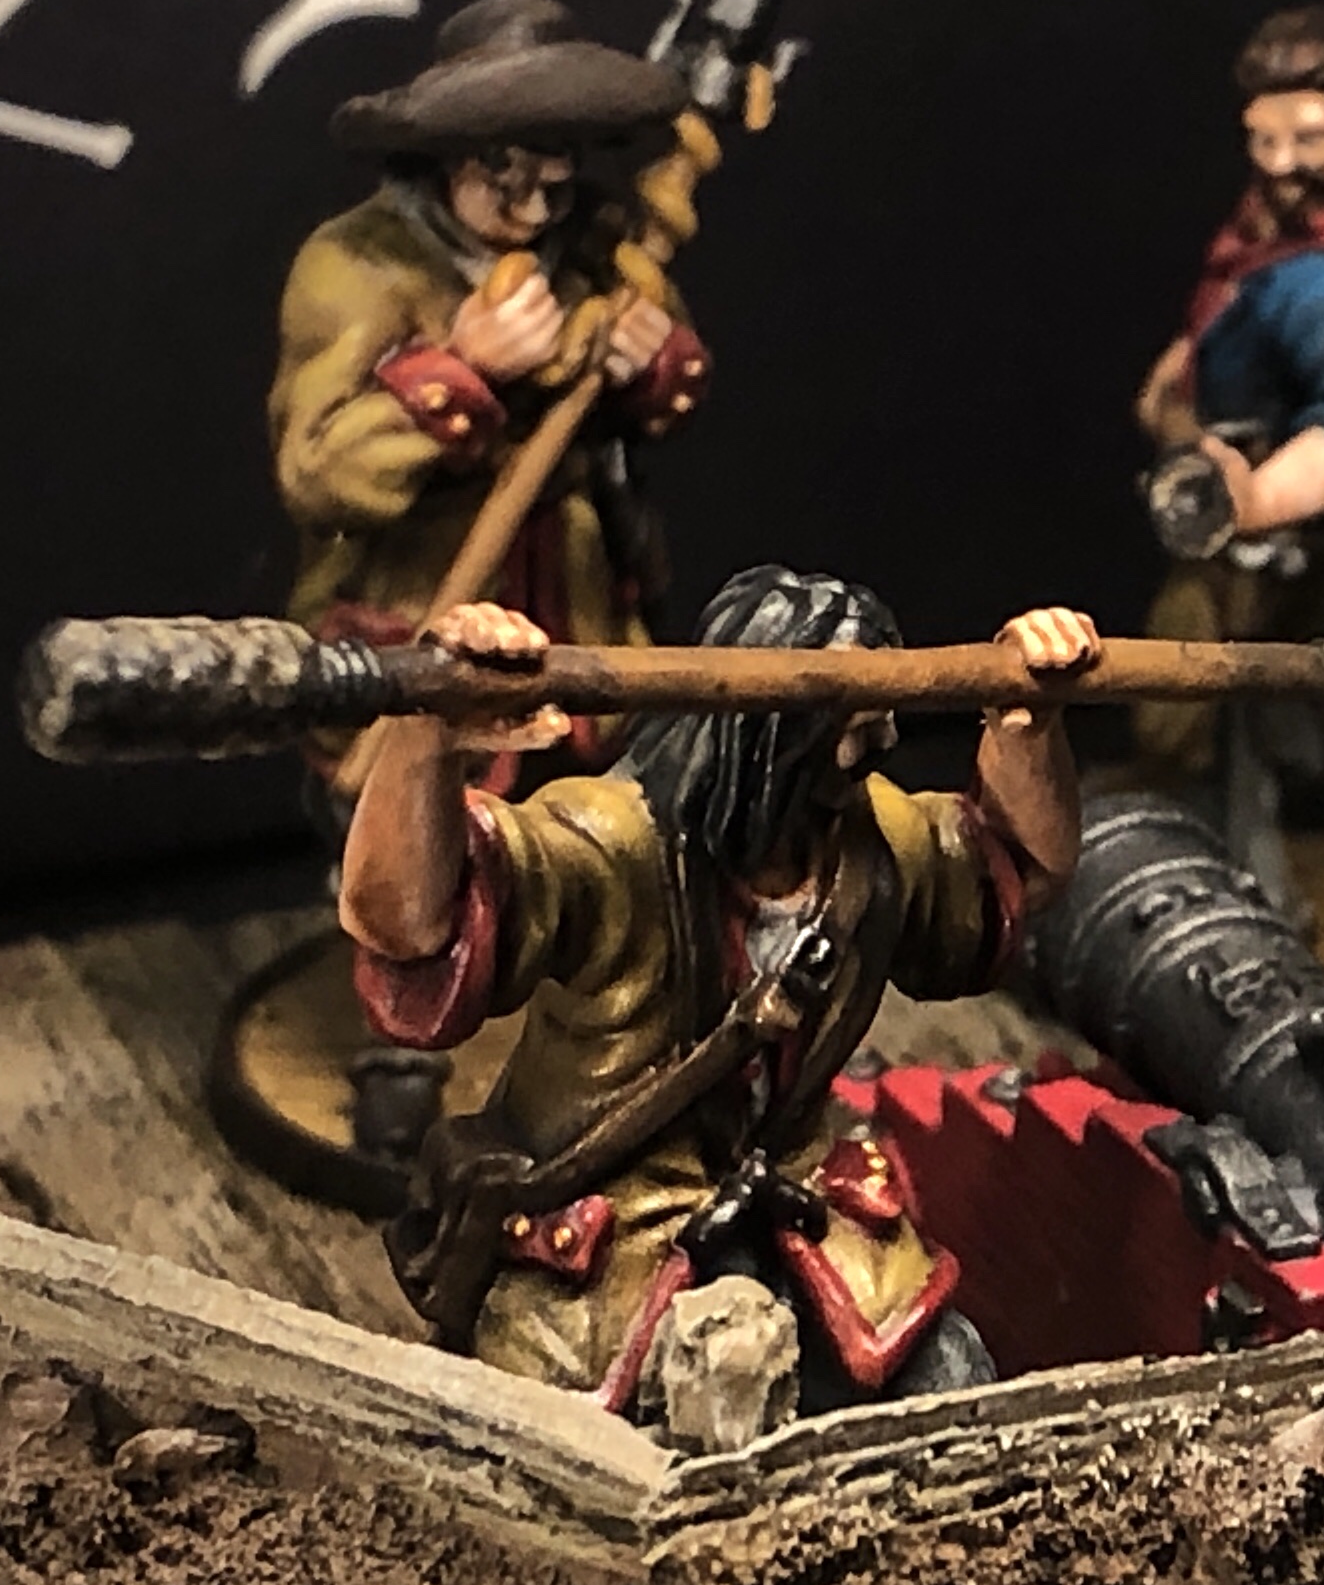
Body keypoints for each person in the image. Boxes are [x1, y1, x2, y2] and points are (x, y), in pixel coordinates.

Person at [339, 569, 1099, 1414]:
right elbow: (409, 924)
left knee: (945, 1371)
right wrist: (428, 733)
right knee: (632, 1423)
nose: (880, 743)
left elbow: (1010, 873)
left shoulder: (873, 845)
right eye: (851, 731)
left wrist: (1027, 729)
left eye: (881, 721)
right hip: (615, 1230)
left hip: (803, 1205)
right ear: (770, 737)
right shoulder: (609, 841)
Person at [269, 0, 714, 790]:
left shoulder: (595, 242)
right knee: (420, 810)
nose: (536, 209)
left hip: (575, 605)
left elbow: (666, 375)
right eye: (510, 182)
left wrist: (648, 363)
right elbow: (318, 472)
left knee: (594, 805)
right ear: (453, 159)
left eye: (556, 182)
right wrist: (462, 369)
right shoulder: (356, 266)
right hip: (420, 600)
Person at [1129, 6, 1324, 906]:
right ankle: (1295, 800)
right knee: (1277, 718)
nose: (1277, 161)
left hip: (1284, 533)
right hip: (1253, 497)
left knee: (1193, 719)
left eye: (1307, 138)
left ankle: (1253, 904)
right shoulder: (1292, 227)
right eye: (1263, 138)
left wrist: (1251, 503)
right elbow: (1243, 298)